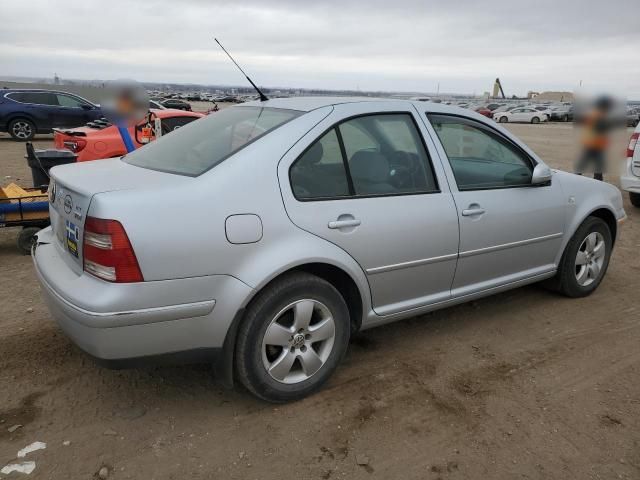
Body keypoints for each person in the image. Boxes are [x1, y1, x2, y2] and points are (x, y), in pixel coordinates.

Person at [575, 96, 613, 181]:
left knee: (586, 164)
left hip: (593, 143)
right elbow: (600, 129)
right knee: (595, 166)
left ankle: (577, 178)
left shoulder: (596, 114)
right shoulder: (598, 115)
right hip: (594, 144)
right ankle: (596, 181)